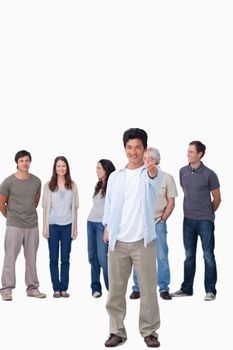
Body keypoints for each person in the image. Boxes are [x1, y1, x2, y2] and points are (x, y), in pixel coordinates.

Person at [103, 128, 164, 348]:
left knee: (148, 289)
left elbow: (154, 180)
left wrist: (152, 170)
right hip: (118, 242)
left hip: (143, 241)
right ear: (124, 148)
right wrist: (107, 227)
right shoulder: (115, 176)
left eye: (138, 147)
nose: (133, 152)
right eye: (129, 147)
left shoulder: (152, 173)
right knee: (116, 290)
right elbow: (109, 205)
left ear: (145, 149)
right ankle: (116, 331)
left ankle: (149, 331)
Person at [172, 141, 221, 301]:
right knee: (189, 255)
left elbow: (217, 199)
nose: (188, 154)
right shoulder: (182, 171)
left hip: (205, 221)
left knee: (208, 255)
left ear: (200, 154)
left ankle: (210, 290)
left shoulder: (210, 174)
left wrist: (207, 212)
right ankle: (186, 289)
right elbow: (186, 191)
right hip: (188, 221)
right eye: (188, 151)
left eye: (191, 152)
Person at [130, 147, 178, 301]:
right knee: (138, 256)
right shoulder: (138, 177)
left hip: (158, 223)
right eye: (144, 159)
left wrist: (163, 219)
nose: (145, 162)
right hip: (141, 224)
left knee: (162, 256)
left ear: (156, 160)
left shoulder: (167, 178)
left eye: (149, 159)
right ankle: (137, 288)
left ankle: (164, 288)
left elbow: (171, 201)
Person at [0, 150, 46, 301]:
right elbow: (2, 203)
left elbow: (36, 200)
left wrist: (27, 213)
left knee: (31, 258)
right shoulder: (8, 182)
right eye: (21, 161)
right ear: (17, 163)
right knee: (10, 257)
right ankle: (6, 289)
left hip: (32, 225)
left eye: (27, 160)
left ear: (30, 162)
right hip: (14, 225)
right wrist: (10, 216)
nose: (24, 163)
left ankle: (32, 288)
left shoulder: (36, 181)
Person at [42, 156, 79, 298]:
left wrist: (75, 228)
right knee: (53, 258)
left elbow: (75, 208)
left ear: (67, 168)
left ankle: (64, 288)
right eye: (58, 166)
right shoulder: (48, 185)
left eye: (63, 166)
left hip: (67, 225)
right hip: (52, 225)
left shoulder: (73, 185)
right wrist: (45, 228)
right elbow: (45, 208)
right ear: (54, 168)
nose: (61, 168)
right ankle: (56, 288)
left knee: (65, 258)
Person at [87, 159, 115, 298]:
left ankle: (112, 289)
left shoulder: (113, 185)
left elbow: (114, 209)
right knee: (92, 258)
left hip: (102, 225)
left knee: (103, 258)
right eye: (96, 168)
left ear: (106, 169)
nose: (96, 171)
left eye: (99, 168)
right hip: (91, 222)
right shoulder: (98, 185)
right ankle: (95, 288)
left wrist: (107, 227)